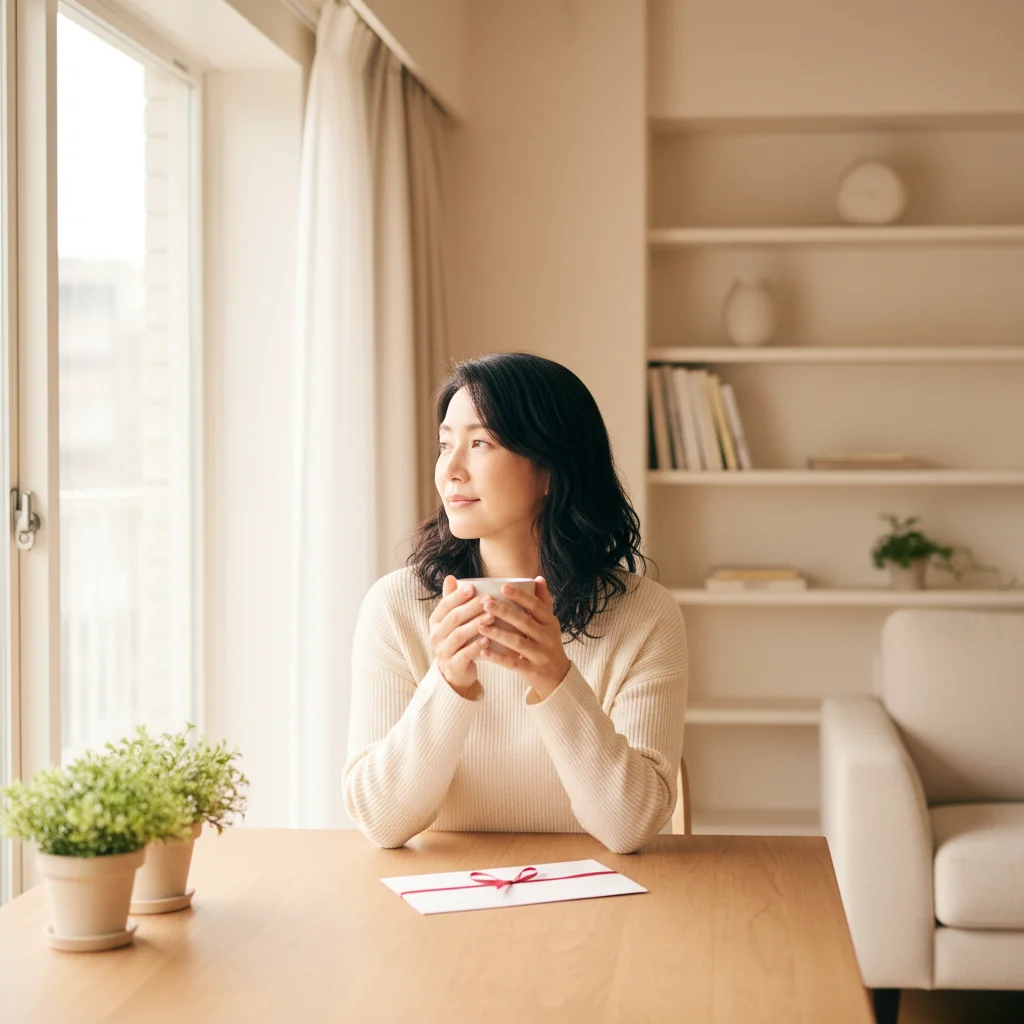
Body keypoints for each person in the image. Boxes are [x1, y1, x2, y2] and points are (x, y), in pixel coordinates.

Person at [342, 352, 688, 854]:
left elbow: (631, 827)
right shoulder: (397, 607)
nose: (450, 472)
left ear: (549, 469)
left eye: (480, 443)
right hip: (440, 903)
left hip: (601, 910)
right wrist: (449, 682)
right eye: (445, 445)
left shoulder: (646, 616)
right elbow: (379, 821)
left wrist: (554, 678)